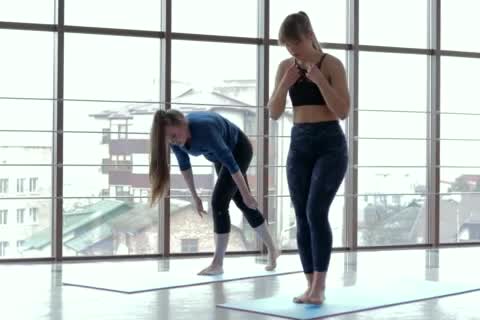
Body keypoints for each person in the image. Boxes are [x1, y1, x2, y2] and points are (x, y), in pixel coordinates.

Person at [268, 11, 350, 304]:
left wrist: (318, 80)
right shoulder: (284, 68)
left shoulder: (332, 64)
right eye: (288, 46)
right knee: (302, 215)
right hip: (299, 143)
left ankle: (320, 286)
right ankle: (310, 285)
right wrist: (284, 84)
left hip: (329, 143)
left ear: (309, 36)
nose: (292, 50)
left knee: (316, 211)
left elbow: (342, 111)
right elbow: (274, 112)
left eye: (296, 44)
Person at [149, 109, 280, 275]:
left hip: (239, 149)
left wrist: (247, 194)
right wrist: (195, 197)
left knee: (220, 202)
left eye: (174, 136)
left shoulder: (205, 130)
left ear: (183, 123)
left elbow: (232, 164)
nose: (174, 142)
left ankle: (218, 264)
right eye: (169, 139)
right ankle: (273, 249)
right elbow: (185, 167)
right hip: (217, 156)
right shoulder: (175, 141)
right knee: (240, 203)